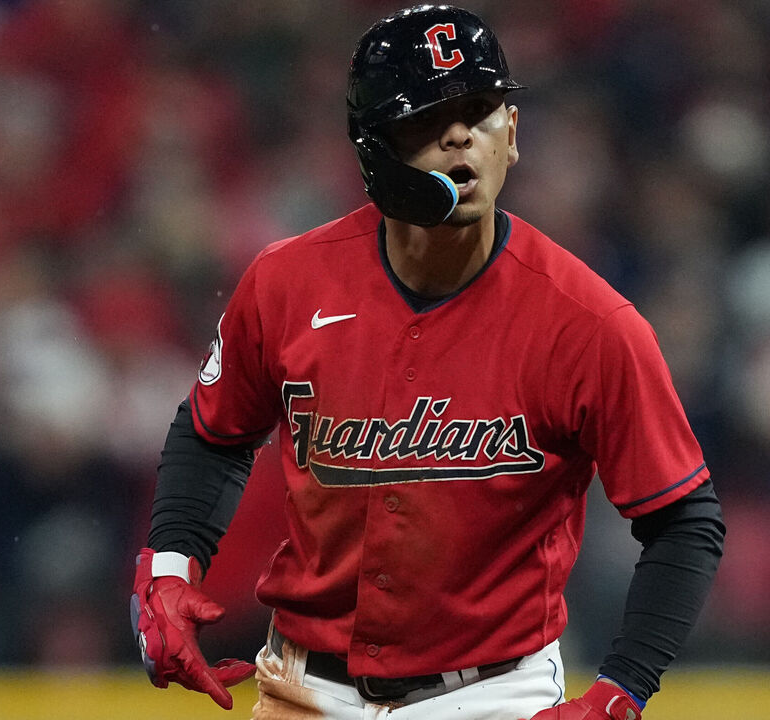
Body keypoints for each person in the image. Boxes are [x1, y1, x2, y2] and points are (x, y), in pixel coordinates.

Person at [129, 5, 725, 719]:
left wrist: (622, 690)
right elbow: (212, 432)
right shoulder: (287, 283)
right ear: (373, 150)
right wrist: (168, 569)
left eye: (481, 110)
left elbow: (683, 518)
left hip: (494, 695)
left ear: (513, 134)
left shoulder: (589, 322)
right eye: (427, 118)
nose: (459, 135)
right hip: (301, 686)